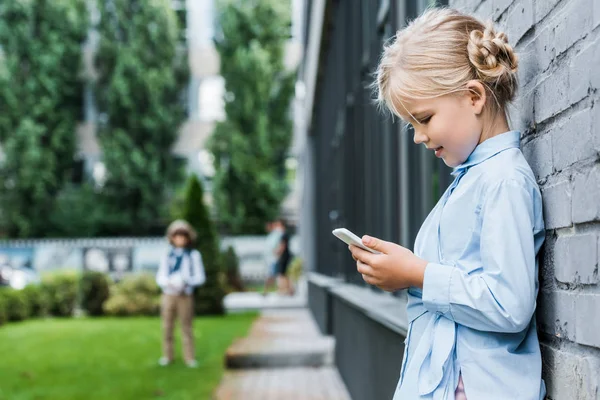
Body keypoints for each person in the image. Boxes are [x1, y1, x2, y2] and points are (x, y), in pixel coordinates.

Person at [349, 8, 546, 400]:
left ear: (473, 96)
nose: (419, 137)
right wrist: (403, 270)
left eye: (424, 118)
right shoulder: (470, 182)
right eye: (411, 125)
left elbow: (509, 304)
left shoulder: (503, 181)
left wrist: (417, 273)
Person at [156, 219, 206, 368]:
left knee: (186, 326)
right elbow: (160, 276)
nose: (179, 239)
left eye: (183, 236)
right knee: (167, 326)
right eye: (176, 236)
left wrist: (187, 282)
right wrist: (168, 283)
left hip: (185, 294)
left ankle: (189, 357)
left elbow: (200, 277)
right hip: (169, 294)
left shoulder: (193, 255)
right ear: (171, 238)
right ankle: (167, 356)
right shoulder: (167, 255)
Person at [262, 219, 284, 295]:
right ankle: (278, 290)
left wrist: (276, 253)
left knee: (274, 275)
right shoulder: (271, 236)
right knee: (275, 275)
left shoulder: (277, 234)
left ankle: (266, 291)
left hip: (274, 259)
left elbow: (279, 246)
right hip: (270, 259)